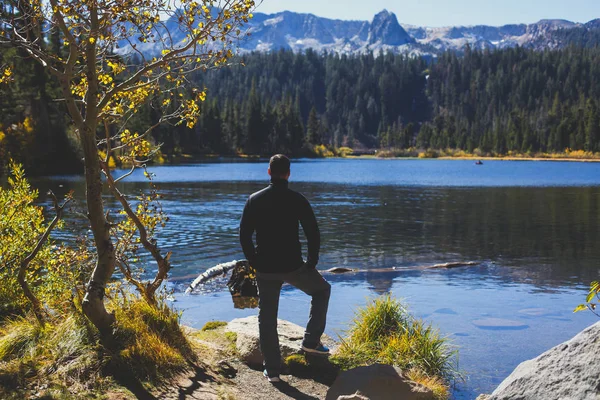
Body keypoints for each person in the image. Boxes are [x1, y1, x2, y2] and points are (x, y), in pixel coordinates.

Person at [239, 154, 331, 383]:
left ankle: (272, 371)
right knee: (322, 291)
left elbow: (244, 236)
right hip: (294, 266)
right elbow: (313, 232)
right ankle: (310, 342)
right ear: (288, 173)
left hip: (265, 268)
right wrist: (312, 260)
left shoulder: (254, 199)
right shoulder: (297, 199)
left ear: (268, 172)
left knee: (267, 317)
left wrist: (254, 261)